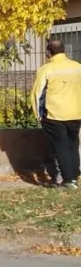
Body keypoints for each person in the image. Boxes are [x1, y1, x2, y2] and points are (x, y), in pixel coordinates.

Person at [31, 39, 81, 190]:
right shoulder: (78, 67)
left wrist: (38, 115)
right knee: (72, 144)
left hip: (54, 114)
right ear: (65, 51)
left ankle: (68, 180)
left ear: (48, 52)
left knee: (60, 147)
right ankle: (74, 176)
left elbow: (37, 94)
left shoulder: (47, 69)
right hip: (76, 112)